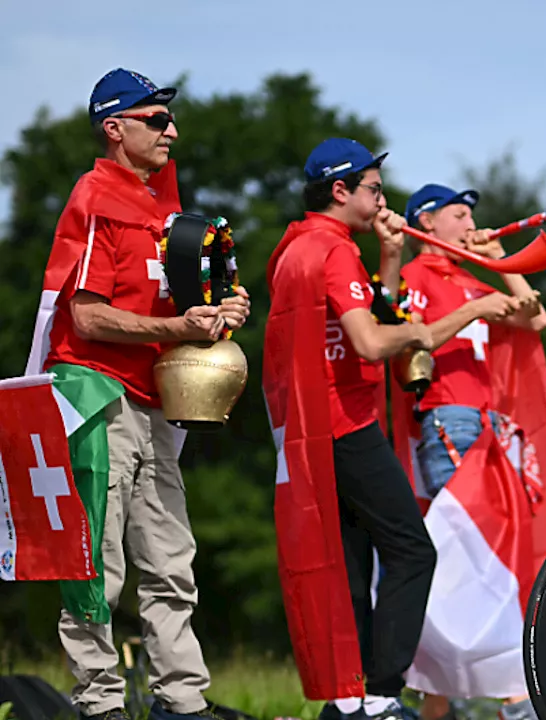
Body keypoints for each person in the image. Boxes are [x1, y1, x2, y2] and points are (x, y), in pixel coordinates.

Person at [32, 68, 250, 720]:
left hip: (157, 400)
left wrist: (222, 306)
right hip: (96, 391)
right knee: (97, 559)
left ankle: (182, 702)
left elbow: (182, 301)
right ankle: (99, 704)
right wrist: (176, 327)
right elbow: (87, 316)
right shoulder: (98, 197)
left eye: (170, 120)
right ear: (114, 126)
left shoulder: (164, 208)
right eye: (157, 121)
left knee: (171, 558)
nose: (171, 132)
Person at [262, 138, 437, 720]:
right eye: (375, 189)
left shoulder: (296, 249)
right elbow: (370, 341)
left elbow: (358, 320)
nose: (383, 199)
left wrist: (389, 258)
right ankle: (384, 692)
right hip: (346, 424)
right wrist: (422, 332)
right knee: (413, 552)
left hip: (310, 430)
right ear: (341, 191)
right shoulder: (334, 251)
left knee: (353, 567)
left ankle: (351, 698)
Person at [396, 183, 546, 720]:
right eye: (459, 214)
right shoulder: (414, 277)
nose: (470, 222)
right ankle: (513, 698)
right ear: (427, 222)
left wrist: (500, 260)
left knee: (475, 558)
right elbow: (410, 337)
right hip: (449, 419)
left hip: (489, 426)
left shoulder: (468, 278)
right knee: (468, 557)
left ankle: (441, 705)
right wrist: (478, 305)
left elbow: (534, 318)